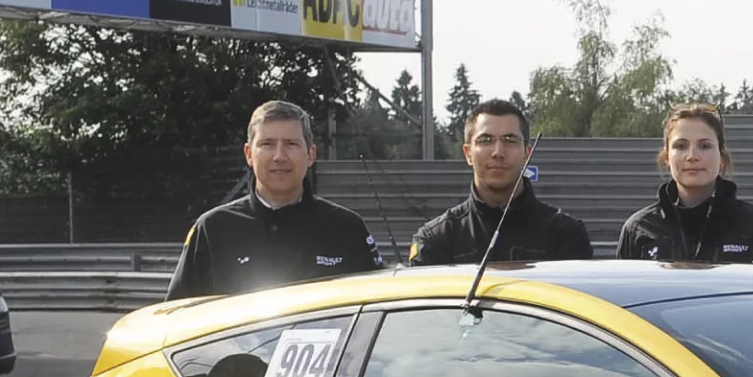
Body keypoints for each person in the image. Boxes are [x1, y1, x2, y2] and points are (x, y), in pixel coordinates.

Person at [167, 100, 379, 300]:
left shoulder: (347, 228)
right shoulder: (212, 230)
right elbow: (176, 316)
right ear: (249, 154)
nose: (279, 156)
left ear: (311, 154)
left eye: (291, 144)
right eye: (267, 144)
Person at [408, 96, 592, 267]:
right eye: (485, 140)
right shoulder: (436, 239)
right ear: (468, 153)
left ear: (527, 154)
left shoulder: (565, 235)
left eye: (510, 140)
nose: (498, 152)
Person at [616, 103, 753, 262]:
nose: (692, 156)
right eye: (681, 146)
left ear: (722, 158)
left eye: (704, 146)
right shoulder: (639, 229)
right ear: (667, 158)